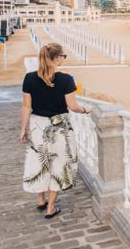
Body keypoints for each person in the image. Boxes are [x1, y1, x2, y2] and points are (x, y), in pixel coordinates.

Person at [20, 43, 90, 219]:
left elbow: (26, 106)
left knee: (40, 163)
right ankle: (51, 207)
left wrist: (23, 129)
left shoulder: (29, 78)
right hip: (59, 129)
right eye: (63, 56)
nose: (63, 59)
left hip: (37, 126)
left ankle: (41, 201)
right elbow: (72, 106)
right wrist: (85, 110)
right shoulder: (66, 80)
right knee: (59, 166)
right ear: (58, 58)